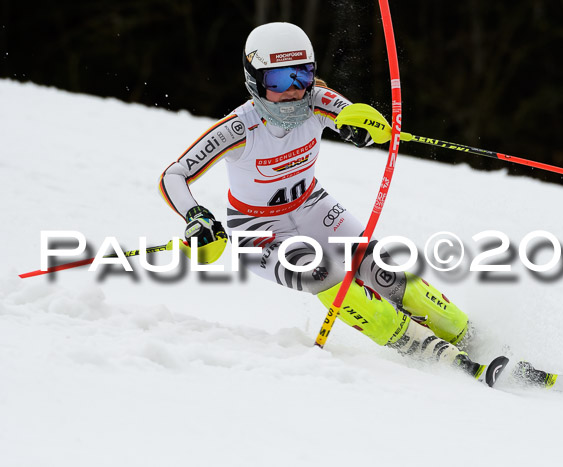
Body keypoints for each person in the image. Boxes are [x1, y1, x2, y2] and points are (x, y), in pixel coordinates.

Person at [158, 22, 487, 379]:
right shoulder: (239, 128)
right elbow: (172, 176)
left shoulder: (316, 100)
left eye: (303, 75)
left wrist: (364, 127)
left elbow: (348, 115)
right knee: (322, 273)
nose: (295, 91)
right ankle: (420, 346)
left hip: (313, 206)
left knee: (380, 267)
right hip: (255, 229)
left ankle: (468, 335)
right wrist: (197, 215)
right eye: (280, 81)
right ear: (255, 80)